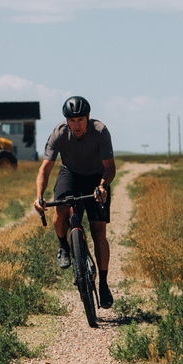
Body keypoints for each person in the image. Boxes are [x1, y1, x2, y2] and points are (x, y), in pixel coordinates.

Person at [33, 95, 116, 308]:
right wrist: (39, 196)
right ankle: (64, 247)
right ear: (67, 121)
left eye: (80, 119)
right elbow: (45, 169)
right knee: (60, 208)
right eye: (72, 120)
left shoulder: (100, 132)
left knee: (99, 231)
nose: (76, 125)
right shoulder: (59, 134)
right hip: (70, 173)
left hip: (97, 176)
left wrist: (102, 186)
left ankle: (104, 284)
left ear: (88, 118)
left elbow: (110, 168)